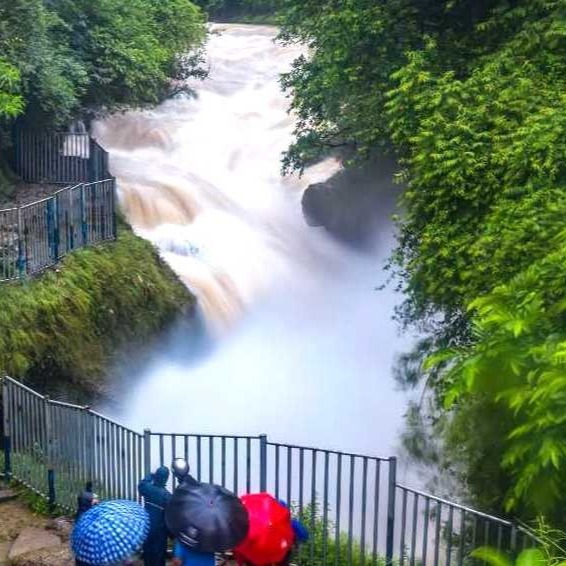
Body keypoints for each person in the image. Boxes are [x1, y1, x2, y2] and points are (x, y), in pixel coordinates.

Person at [138, 466, 172, 566]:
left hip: (147, 527)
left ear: (156, 475)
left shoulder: (147, 488)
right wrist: (171, 535)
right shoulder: (168, 496)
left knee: (148, 553)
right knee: (159, 556)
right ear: (166, 478)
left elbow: (142, 484)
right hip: (160, 532)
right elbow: (170, 518)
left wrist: (151, 475)